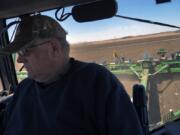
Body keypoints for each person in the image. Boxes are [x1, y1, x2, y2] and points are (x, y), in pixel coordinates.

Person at [0, 14, 143, 135]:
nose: (19, 59)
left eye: (25, 51)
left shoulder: (96, 82)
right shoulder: (23, 89)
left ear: (54, 48)